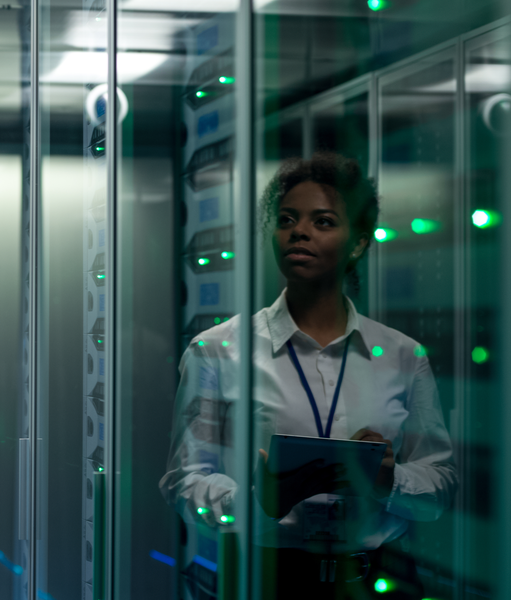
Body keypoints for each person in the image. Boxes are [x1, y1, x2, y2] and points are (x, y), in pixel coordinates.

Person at [159, 152, 455, 599]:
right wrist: (256, 503)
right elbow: (183, 481)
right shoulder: (216, 351)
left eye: (323, 221)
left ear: (357, 243)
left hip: (381, 580)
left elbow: (441, 486)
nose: (299, 231)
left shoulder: (402, 355)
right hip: (267, 578)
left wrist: (389, 483)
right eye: (286, 219)